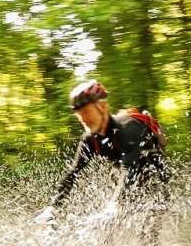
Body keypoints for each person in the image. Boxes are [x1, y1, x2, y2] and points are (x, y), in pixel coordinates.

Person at [36, 79, 169, 224]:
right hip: (129, 179)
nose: (83, 119)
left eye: (86, 112)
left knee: (147, 226)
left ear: (103, 107)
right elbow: (73, 172)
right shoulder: (89, 139)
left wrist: (115, 203)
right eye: (79, 115)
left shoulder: (128, 130)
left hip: (155, 176)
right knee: (109, 225)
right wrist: (53, 207)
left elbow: (128, 169)